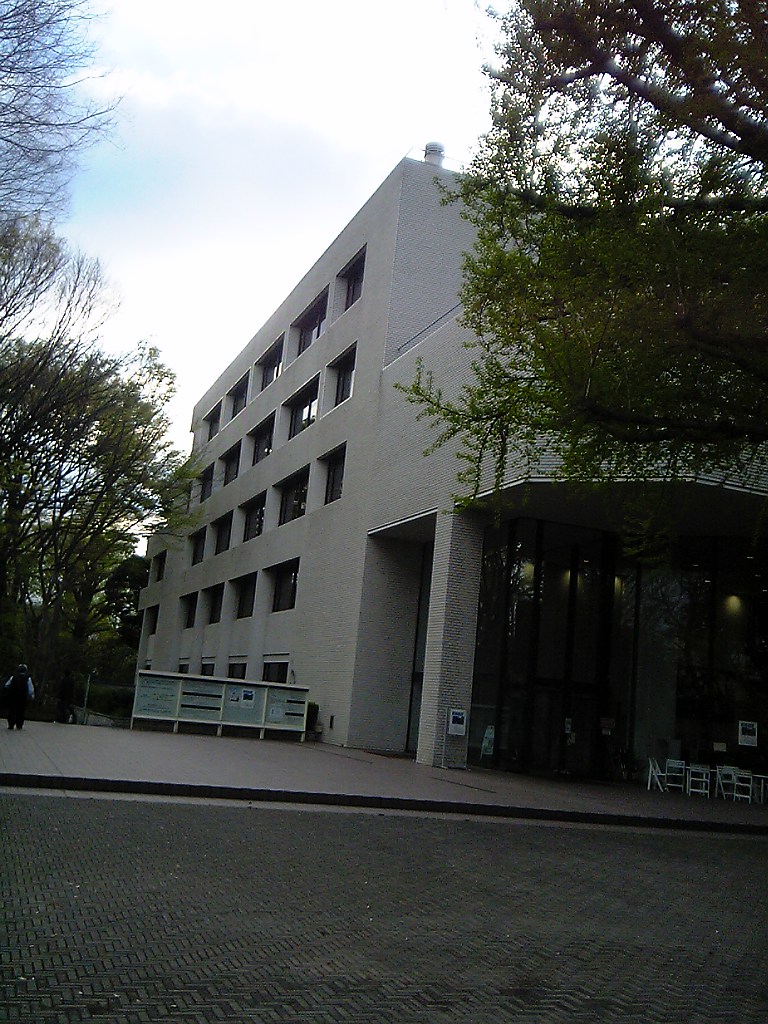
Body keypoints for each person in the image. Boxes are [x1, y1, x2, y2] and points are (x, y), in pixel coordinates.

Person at [4, 663, 35, 730]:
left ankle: (11, 724)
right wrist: (31, 696)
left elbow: (7, 685)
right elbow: (30, 689)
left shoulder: (13, 677)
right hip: (22, 697)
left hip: (13, 696)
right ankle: (19, 725)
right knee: (21, 711)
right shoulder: (28, 678)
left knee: (12, 710)